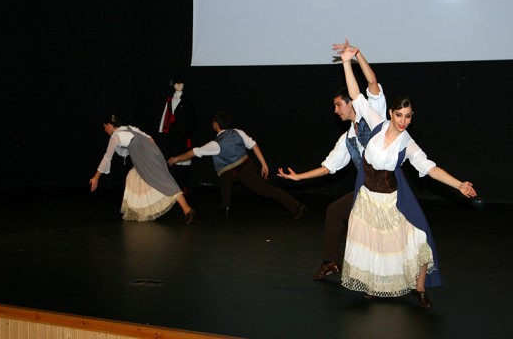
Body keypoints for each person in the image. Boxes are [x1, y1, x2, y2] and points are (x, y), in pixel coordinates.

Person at [338, 44, 477, 309]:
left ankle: (420, 288)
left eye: (408, 117)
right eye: (399, 115)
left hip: (392, 200)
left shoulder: (407, 143)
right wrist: (347, 61)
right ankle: (372, 286)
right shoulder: (376, 122)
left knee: (418, 239)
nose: (403, 120)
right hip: (367, 198)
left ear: (412, 119)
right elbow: (355, 94)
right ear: (391, 113)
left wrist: (459, 184)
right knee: (371, 243)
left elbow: (429, 168)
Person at [278, 40, 386, 280]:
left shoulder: (373, 114)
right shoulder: (347, 138)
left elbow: (372, 82)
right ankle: (330, 262)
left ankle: (378, 274)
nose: (336, 110)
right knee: (335, 211)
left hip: (388, 187)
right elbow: (328, 167)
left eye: (338, 104)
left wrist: (357, 55)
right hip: (366, 188)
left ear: (351, 102)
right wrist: (297, 177)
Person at [168, 112, 307, 219]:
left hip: (243, 172)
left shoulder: (215, 144)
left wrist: (176, 158)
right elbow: (254, 145)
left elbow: (194, 152)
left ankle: (297, 206)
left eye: (213, 121)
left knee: (266, 190)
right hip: (245, 166)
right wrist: (263, 164)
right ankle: (225, 206)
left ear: (216, 124)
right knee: (224, 175)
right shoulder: (237, 132)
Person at [89, 114, 196, 224]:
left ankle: (187, 210)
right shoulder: (129, 128)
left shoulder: (115, 137)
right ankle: (143, 211)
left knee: (163, 180)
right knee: (133, 176)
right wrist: (153, 154)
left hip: (144, 154)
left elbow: (107, 157)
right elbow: (150, 138)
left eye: (104, 126)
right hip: (149, 151)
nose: (104, 130)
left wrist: (96, 177)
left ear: (110, 125)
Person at [156, 76, 196, 194]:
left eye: (181, 83)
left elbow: (192, 118)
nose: (179, 85)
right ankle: (178, 185)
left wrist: (188, 131)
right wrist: (162, 130)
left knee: (186, 158)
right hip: (173, 133)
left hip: (184, 133)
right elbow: (166, 115)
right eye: (176, 83)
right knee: (175, 158)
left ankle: (185, 185)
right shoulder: (169, 100)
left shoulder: (187, 100)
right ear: (173, 85)